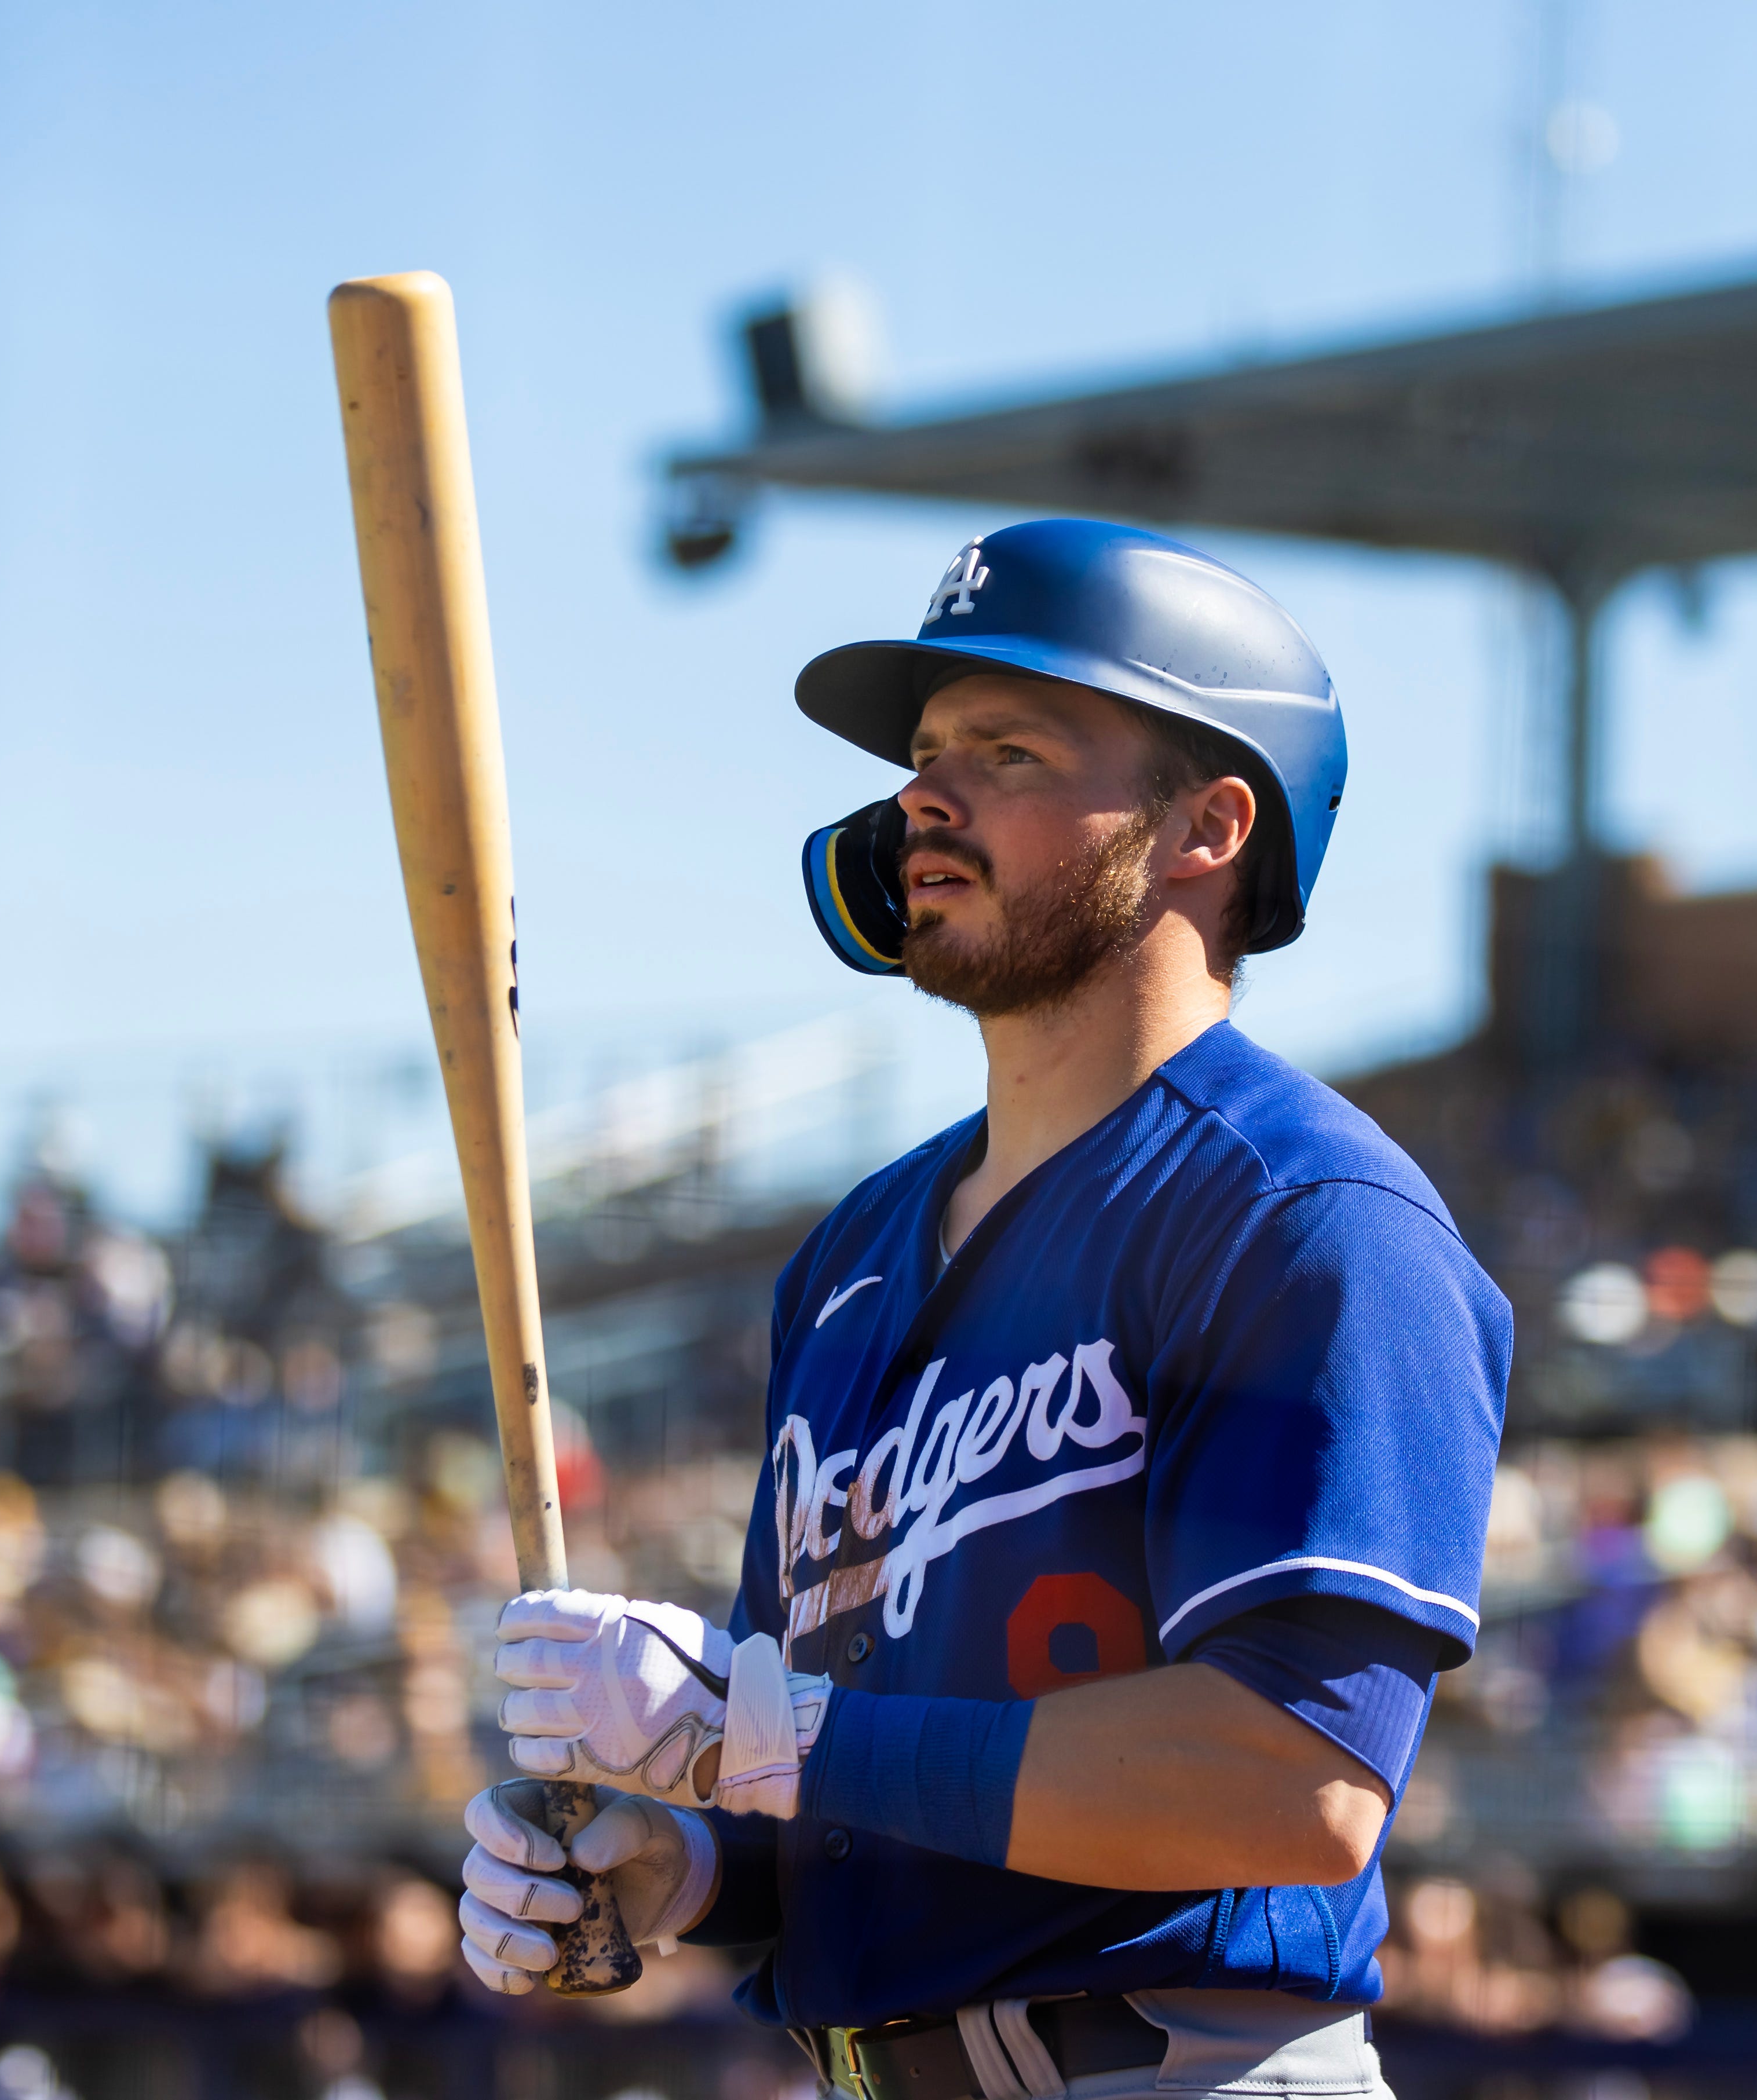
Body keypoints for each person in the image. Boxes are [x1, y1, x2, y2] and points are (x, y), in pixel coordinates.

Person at [454, 521, 1514, 2100]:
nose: (922, 797)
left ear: (1206, 825)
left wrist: (750, 1734)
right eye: (925, 754)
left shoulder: (1300, 1215)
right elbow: (832, 1779)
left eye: (1007, 747)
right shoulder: (849, 1254)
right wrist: (675, 1866)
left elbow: (1293, 1783)